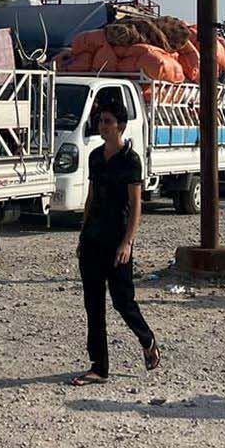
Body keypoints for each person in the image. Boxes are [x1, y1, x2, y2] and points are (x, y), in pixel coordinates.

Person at [72, 94, 158, 386]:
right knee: (93, 304)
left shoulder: (130, 161)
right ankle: (99, 366)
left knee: (123, 300)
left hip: (117, 240)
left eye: (108, 121)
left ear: (120, 126)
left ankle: (147, 340)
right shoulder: (96, 156)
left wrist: (127, 242)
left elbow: (136, 206)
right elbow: (92, 197)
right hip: (94, 237)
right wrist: (83, 235)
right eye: (100, 121)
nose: (102, 126)